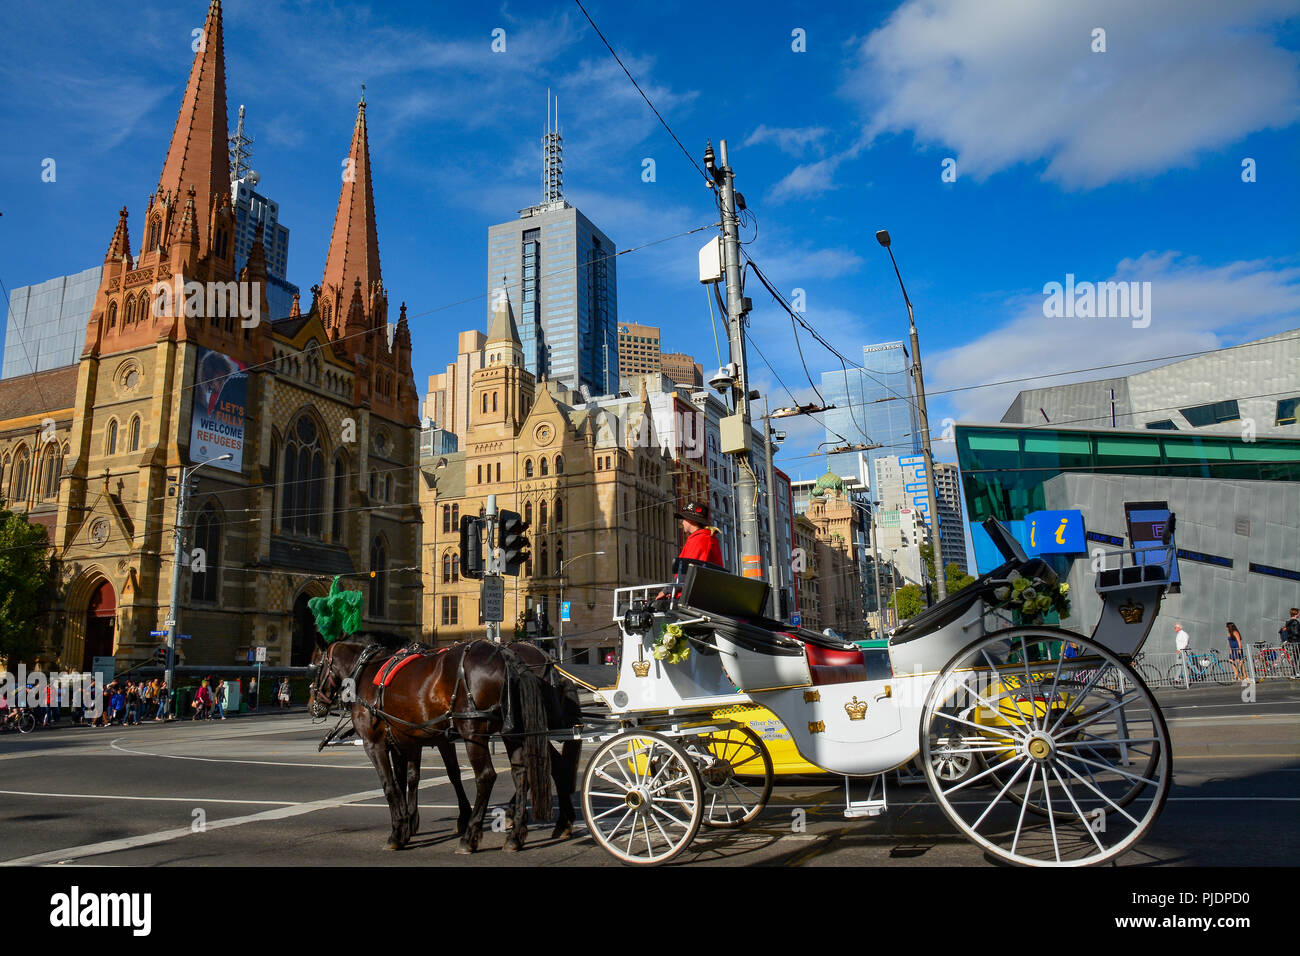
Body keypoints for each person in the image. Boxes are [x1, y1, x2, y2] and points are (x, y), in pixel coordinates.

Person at [674, 502, 723, 567]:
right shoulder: (704, 537)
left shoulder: (700, 539)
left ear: (690, 520)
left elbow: (690, 570)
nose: (682, 522)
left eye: (684, 519)